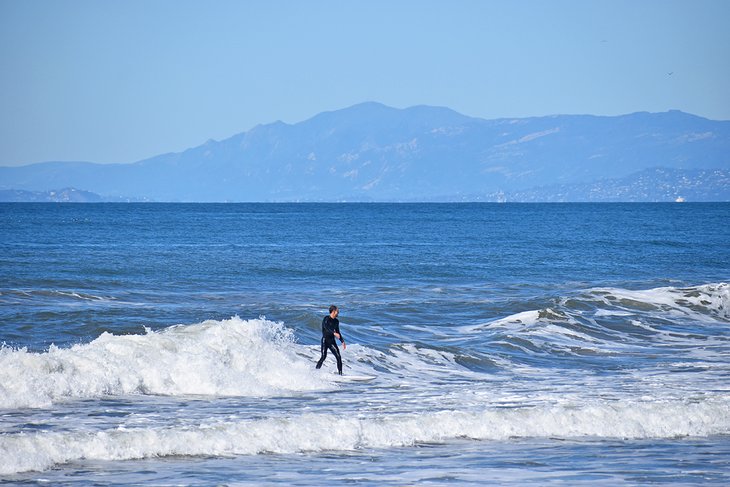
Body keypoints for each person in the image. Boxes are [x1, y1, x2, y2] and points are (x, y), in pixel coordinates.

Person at [316, 305, 346, 375]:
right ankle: (316, 371)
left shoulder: (336, 321)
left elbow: (338, 331)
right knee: (323, 357)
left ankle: (340, 374)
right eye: (337, 311)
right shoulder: (326, 318)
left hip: (332, 341)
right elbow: (325, 327)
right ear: (333, 311)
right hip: (325, 340)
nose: (338, 312)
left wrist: (342, 341)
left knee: (338, 357)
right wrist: (334, 333)